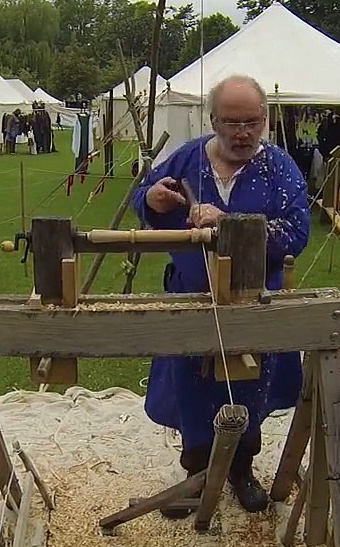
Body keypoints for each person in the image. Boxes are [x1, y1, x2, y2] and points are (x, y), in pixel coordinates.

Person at [131, 74, 310, 517]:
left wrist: (228, 221)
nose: (243, 133)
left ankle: (241, 468)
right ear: (213, 120)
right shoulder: (188, 159)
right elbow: (142, 199)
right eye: (232, 122)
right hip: (191, 297)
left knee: (250, 387)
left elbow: (296, 232)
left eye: (252, 122)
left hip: (253, 302)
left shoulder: (279, 168)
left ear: (265, 120)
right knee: (191, 389)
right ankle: (195, 472)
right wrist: (152, 201)